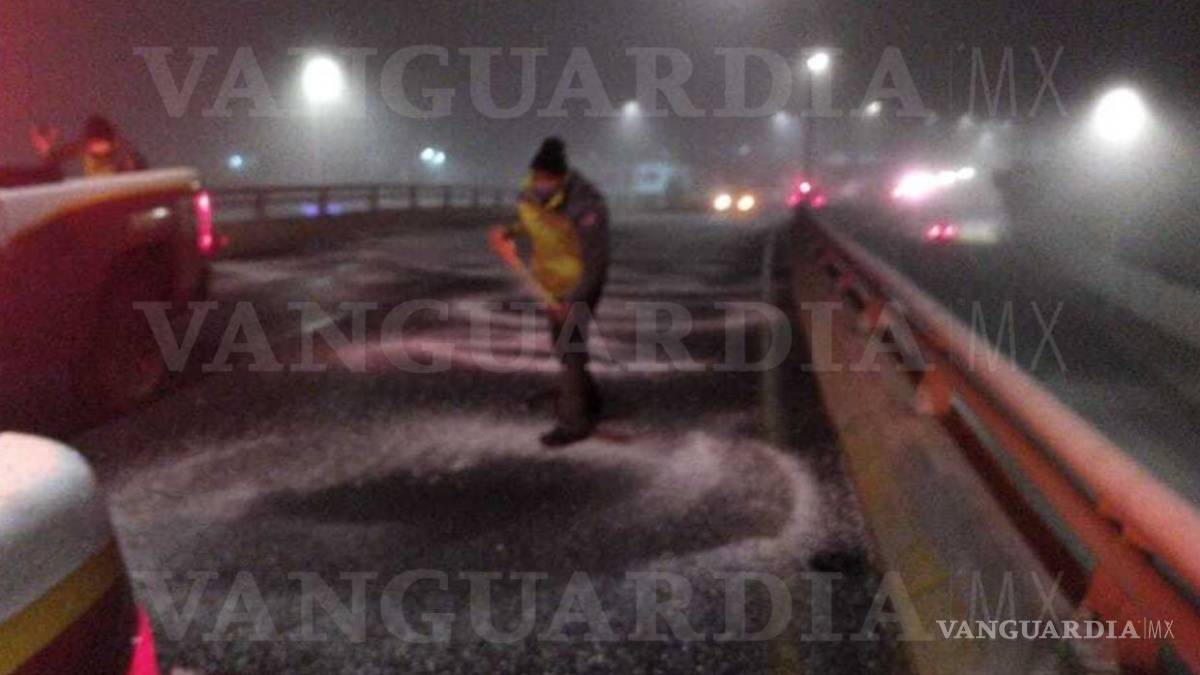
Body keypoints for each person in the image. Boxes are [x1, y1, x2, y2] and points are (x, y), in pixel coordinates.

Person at [490, 137, 610, 447]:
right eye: (538, 178)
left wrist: (576, 299)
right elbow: (524, 221)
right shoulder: (530, 193)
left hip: (581, 284)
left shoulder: (586, 204)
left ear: (561, 177)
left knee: (569, 348)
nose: (541, 184)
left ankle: (574, 422)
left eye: (548, 179)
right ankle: (588, 398)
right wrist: (507, 231)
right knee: (563, 345)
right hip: (549, 284)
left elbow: (597, 261)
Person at [30, 115, 146, 177]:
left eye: (100, 144)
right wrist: (46, 149)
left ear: (112, 142)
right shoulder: (84, 146)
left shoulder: (126, 156)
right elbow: (53, 160)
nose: (93, 150)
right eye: (91, 144)